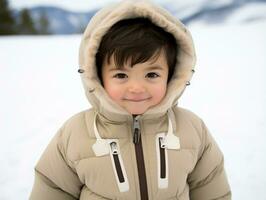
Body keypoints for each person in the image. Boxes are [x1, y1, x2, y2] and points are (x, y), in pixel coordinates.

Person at [29, 1, 231, 199]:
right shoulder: (75, 133)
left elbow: (212, 190)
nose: (136, 88)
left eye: (151, 75)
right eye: (121, 75)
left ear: (171, 76)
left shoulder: (192, 129)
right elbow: (52, 187)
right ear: (98, 76)